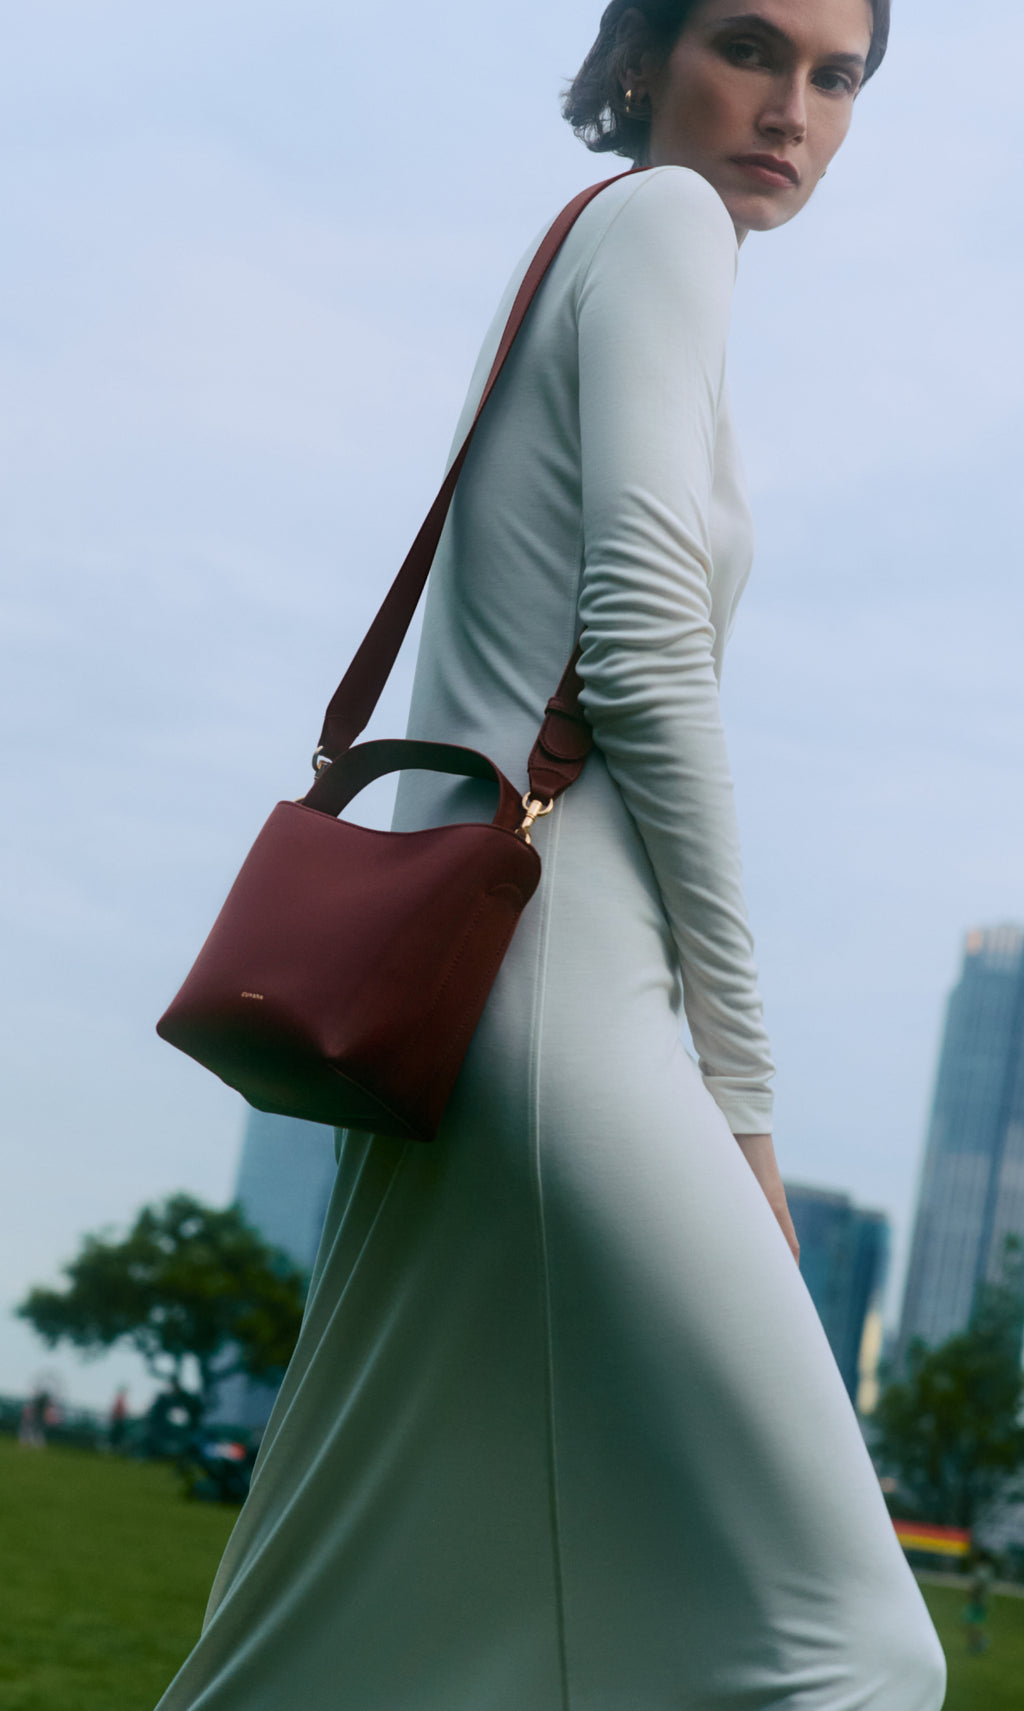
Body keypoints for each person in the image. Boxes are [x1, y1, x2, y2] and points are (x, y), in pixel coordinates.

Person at [154, 2, 948, 1706]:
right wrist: (745, 1098)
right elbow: (646, 661)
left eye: (839, 76)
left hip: (462, 1012)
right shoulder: (659, 225)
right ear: (649, 52)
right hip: (553, 1013)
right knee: (855, 1649)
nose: (791, 110)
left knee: (324, 1634)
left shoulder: (594, 255)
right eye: (750, 46)